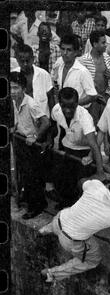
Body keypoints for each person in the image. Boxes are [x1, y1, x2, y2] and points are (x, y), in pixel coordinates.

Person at [39, 174, 110, 282]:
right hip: (70, 240)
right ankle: (51, 274)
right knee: (93, 260)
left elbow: (81, 181)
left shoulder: (96, 185)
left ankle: (43, 230)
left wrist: (82, 197)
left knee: (70, 215)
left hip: (58, 219)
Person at [51, 87, 105, 206]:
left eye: (72, 106)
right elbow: (53, 125)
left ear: (77, 103)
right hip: (68, 145)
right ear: (59, 103)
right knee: (64, 177)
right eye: (64, 106)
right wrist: (50, 142)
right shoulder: (55, 110)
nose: (68, 110)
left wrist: (100, 171)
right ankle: (65, 202)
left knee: (80, 182)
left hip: (83, 150)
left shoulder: (84, 117)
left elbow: (94, 145)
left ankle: (77, 206)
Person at [11, 71, 50, 219]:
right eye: (10, 88)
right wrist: (15, 127)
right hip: (21, 140)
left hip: (32, 145)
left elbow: (46, 122)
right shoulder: (15, 101)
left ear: (23, 89)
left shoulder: (31, 103)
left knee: (33, 177)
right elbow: (20, 118)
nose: (12, 91)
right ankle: (30, 201)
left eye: (16, 88)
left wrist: (35, 136)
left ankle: (37, 207)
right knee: (25, 174)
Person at [79, 30, 110, 101]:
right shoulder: (84, 60)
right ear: (95, 44)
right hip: (90, 99)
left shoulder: (107, 57)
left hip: (106, 97)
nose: (106, 45)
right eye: (103, 43)